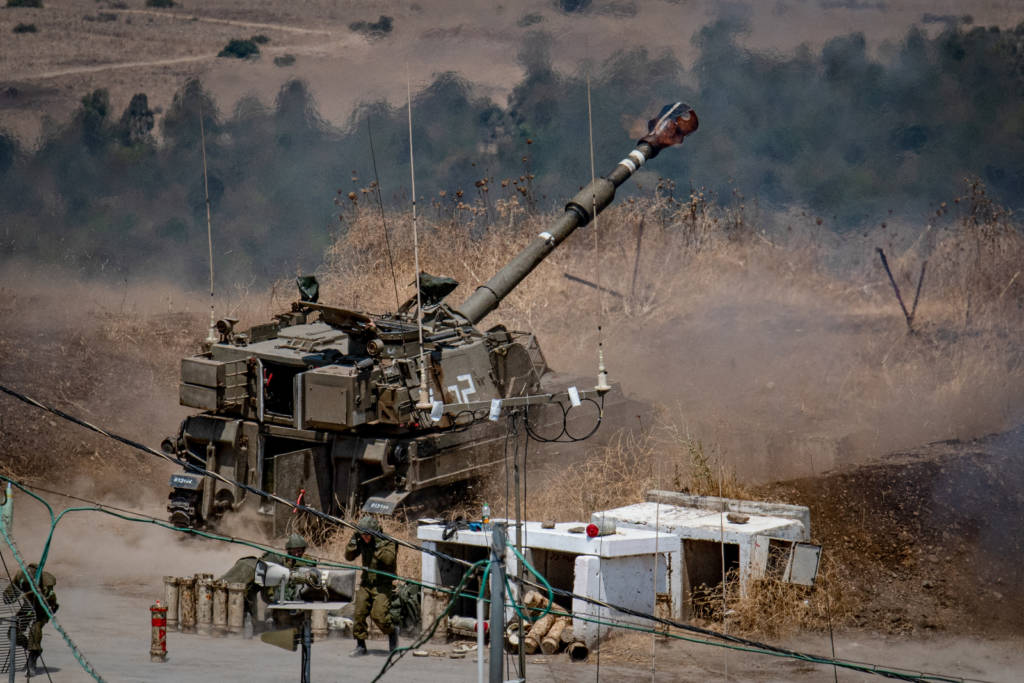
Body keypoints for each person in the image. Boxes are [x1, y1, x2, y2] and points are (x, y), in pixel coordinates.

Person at [218, 533, 313, 630]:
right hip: (275, 598)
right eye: (295, 551)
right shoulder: (278, 561)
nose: (298, 554)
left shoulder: (307, 563)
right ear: (289, 550)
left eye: (300, 550)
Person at [345, 516, 397, 656]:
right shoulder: (361, 539)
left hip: (383, 585)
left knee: (379, 615)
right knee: (359, 613)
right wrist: (353, 542)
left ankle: (392, 633)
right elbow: (348, 557)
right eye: (363, 535)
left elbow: (389, 559)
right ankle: (361, 645)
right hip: (366, 583)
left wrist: (378, 544)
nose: (365, 538)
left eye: (368, 535)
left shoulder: (388, 541)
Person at [2, 563, 58, 676]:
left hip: (44, 608)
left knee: (35, 629)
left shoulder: (46, 580)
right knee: (13, 632)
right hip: (28, 607)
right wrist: (8, 596)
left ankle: (32, 658)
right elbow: (9, 597)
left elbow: (51, 599)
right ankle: (31, 647)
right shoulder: (20, 577)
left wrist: (45, 594)